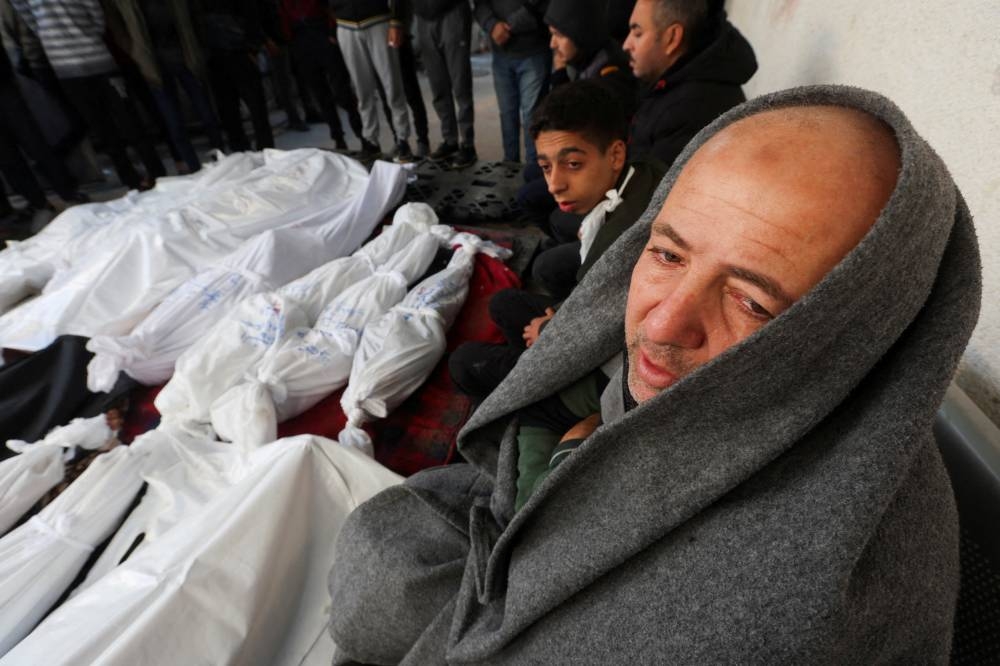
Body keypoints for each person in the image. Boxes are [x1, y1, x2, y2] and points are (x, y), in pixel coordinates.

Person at [327, 86, 980, 663]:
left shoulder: (793, 612)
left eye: (751, 301)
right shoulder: (754, 387)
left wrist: (575, 450)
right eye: (667, 252)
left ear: (856, 335)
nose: (663, 325)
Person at [449, 80, 665, 400]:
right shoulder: (646, 174)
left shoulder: (616, 242)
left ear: (616, 154)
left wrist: (547, 330)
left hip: (615, 376)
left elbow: (594, 335)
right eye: (546, 166)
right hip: (601, 326)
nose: (554, 184)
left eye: (573, 164)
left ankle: (533, 406)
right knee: (504, 303)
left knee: (465, 363)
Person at [11, 0, 167, 190]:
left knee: (123, 125)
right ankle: (138, 178)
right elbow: (94, 17)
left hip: (86, 62)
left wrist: (60, 38)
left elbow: (95, 15)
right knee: (111, 127)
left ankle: (149, 176)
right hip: (78, 64)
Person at [623, 0, 756, 166]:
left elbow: (656, 189)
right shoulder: (671, 82)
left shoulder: (691, 108)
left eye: (638, 34)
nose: (626, 45)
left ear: (672, 37)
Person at [105, 0, 224, 173]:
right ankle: (194, 169)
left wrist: (199, 47)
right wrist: (134, 51)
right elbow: (118, 28)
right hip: (153, 65)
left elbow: (194, 17)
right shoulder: (124, 3)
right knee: (174, 123)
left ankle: (221, 161)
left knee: (208, 115)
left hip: (187, 59)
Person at [0, 46, 88, 231]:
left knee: (34, 143)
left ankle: (69, 193)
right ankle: (39, 203)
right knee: (7, 158)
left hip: (4, 88)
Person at [331, 0, 416, 162]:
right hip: (345, 24)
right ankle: (371, 141)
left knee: (392, 86)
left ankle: (403, 139)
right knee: (362, 91)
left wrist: (396, 21)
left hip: (378, 21)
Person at [278, 0, 366, 151]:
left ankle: (362, 135)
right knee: (321, 95)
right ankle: (338, 138)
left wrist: (332, 32)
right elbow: (282, 17)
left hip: (321, 32)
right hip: (300, 40)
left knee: (342, 92)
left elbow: (330, 6)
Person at [473, 0, 550, 164]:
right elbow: (479, 4)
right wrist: (492, 25)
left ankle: (534, 171)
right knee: (507, 115)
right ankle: (510, 166)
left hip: (533, 51)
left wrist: (508, 26)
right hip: (501, 54)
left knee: (532, 117)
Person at [197, 0, 275, 151]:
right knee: (229, 111)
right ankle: (242, 151)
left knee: (255, 107)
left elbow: (253, 15)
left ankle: (264, 149)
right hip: (217, 55)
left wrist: (253, 47)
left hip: (239, 52)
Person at [412, 0, 476, 169]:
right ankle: (450, 140)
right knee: (438, 85)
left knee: (460, 85)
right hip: (423, 18)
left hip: (452, 12)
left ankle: (468, 144)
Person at [545, 0, 636, 116]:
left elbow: (568, 120)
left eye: (559, 35)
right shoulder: (588, 59)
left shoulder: (609, 81)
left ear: (580, 34)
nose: (552, 44)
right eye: (551, 34)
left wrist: (559, 75)